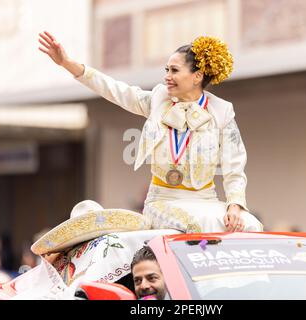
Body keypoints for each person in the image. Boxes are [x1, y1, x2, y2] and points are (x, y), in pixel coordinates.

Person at [38, 31, 263, 233]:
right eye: (166, 69)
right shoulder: (158, 99)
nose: (167, 76)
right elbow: (115, 90)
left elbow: (234, 167)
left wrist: (234, 205)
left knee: (250, 225)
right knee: (195, 227)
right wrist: (67, 63)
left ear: (197, 76)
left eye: (174, 70)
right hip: (163, 201)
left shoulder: (222, 111)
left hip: (206, 200)